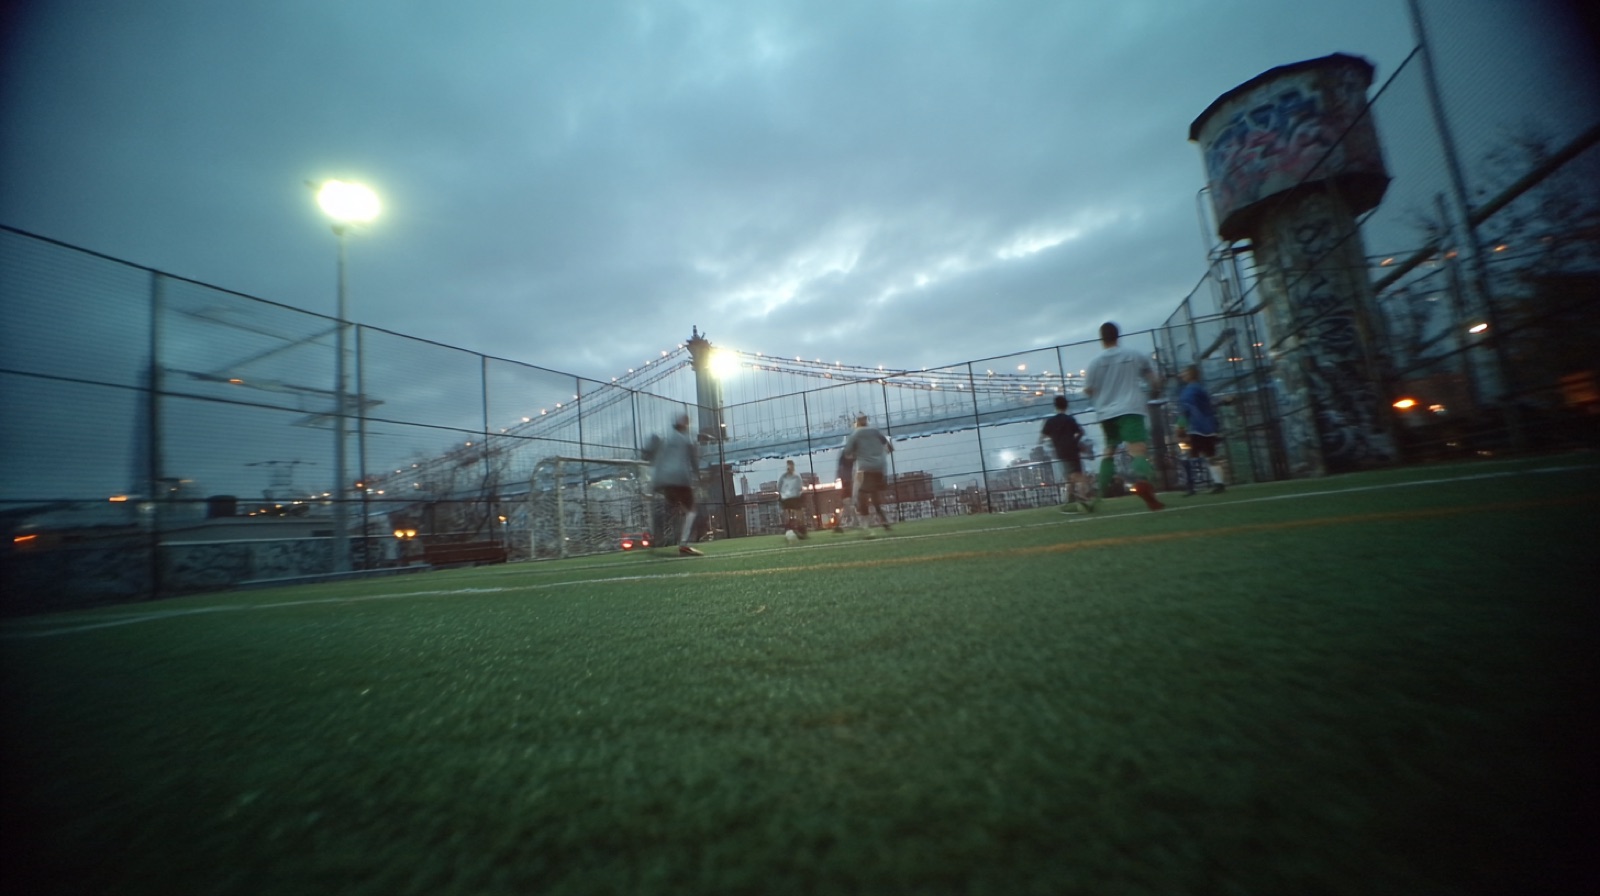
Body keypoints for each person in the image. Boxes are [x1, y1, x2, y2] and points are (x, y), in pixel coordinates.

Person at [1084, 322, 1165, 511]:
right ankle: (1144, 482)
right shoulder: (1135, 355)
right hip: (1131, 408)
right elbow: (1153, 380)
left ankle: (1098, 497)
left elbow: (1088, 390)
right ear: (1118, 335)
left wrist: (1100, 392)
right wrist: (1156, 387)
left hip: (1106, 412)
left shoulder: (1095, 363)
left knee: (1109, 452)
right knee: (1137, 450)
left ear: (1101, 338)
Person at [643, 411, 704, 556]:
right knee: (691, 509)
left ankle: (655, 536)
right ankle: (684, 544)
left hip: (662, 480)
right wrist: (698, 476)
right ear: (683, 424)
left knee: (671, 508)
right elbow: (693, 459)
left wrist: (654, 483)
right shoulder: (686, 438)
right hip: (679, 478)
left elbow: (651, 456)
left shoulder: (665, 439)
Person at [1039, 394, 1095, 513]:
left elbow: (1042, 438)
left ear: (1055, 406)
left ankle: (1070, 502)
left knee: (1070, 478)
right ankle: (1082, 498)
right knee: (1078, 475)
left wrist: (1054, 440)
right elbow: (1081, 432)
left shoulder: (1051, 421)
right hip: (1072, 449)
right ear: (1066, 405)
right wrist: (1075, 441)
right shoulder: (1070, 419)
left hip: (1060, 451)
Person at [841, 413, 893, 535]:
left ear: (857, 422)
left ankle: (865, 526)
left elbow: (847, 452)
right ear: (867, 421)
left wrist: (854, 453)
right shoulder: (875, 431)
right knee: (874, 494)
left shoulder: (856, 433)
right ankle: (884, 521)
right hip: (880, 467)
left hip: (866, 467)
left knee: (862, 494)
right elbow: (888, 446)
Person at [1177, 365, 1226, 495]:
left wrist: (1180, 427)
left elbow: (1185, 410)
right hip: (1210, 426)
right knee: (1210, 455)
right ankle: (1219, 483)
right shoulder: (1201, 389)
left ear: (1190, 374)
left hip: (1197, 427)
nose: (1182, 375)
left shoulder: (1189, 391)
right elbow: (1212, 404)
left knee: (1191, 456)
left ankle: (1192, 486)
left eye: (1184, 372)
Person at [777, 459, 808, 538]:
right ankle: (789, 529)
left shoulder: (797, 477)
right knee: (786, 513)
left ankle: (801, 529)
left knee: (799, 512)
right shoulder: (782, 477)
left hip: (795, 497)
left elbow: (800, 488)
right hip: (785, 498)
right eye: (789, 466)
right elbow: (779, 487)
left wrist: (798, 494)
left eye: (791, 466)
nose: (790, 467)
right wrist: (783, 494)